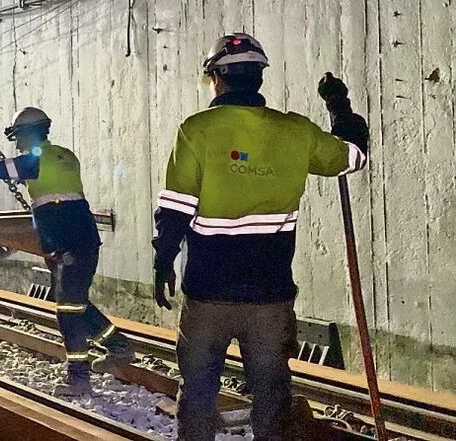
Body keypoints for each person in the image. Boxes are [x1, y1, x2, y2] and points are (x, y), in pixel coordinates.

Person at [152, 33, 369, 440]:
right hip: (270, 297)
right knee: (271, 395)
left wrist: (162, 261)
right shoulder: (296, 131)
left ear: (216, 78)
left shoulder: (196, 130)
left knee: (198, 392)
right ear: (259, 79)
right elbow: (353, 155)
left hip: (206, 295)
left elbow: (176, 208)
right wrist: (339, 105)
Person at [0, 107, 133, 396]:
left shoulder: (34, 161)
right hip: (83, 241)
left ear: (28, 133)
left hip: (69, 246)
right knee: (75, 302)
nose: (17, 144)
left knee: (68, 311)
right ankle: (119, 347)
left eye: (18, 137)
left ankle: (79, 379)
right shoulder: (65, 156)